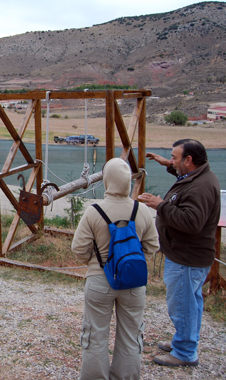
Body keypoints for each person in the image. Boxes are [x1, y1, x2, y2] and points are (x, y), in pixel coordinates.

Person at [72, 158, 159, 380]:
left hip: (100, 280)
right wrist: (132, 262)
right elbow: (152, 246)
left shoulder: (94, 211)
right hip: (133, 283)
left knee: (95, 335)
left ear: (107, 180)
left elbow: (79, 249)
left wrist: (95, 262)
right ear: (128, 181)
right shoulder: (143, 211)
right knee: (131, 335)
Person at [138, 139, 221, 367]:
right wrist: (168, 164)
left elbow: (192, 222)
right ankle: (184, 341)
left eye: (175, 158)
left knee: (182, 305)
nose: (172, 161)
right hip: (189, 256)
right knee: (191, 303)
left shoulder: (200, 187)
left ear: (189, 160)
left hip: (187, 258)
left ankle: (185, 353)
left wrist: (160, 205)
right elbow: (184, 185)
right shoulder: (197, 176)